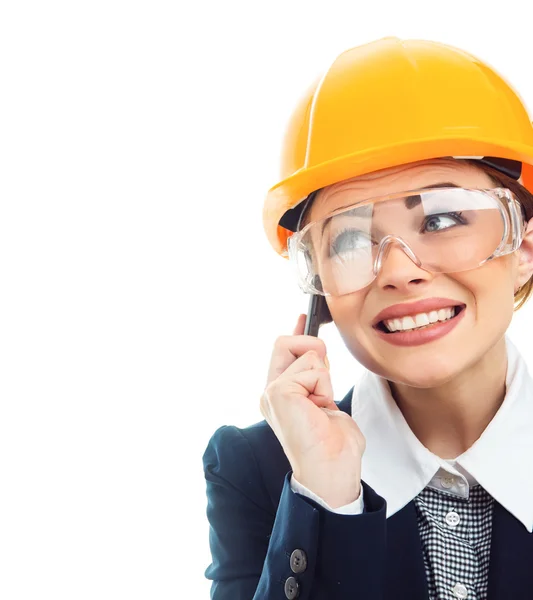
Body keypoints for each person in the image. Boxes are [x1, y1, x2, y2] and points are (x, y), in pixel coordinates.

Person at [202, 37, 533, 600]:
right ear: (320, 291)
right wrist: (326, 497)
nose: (399, 272)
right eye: (352, 239)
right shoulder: (259, 469)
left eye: (443, 217)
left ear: (523, 247)